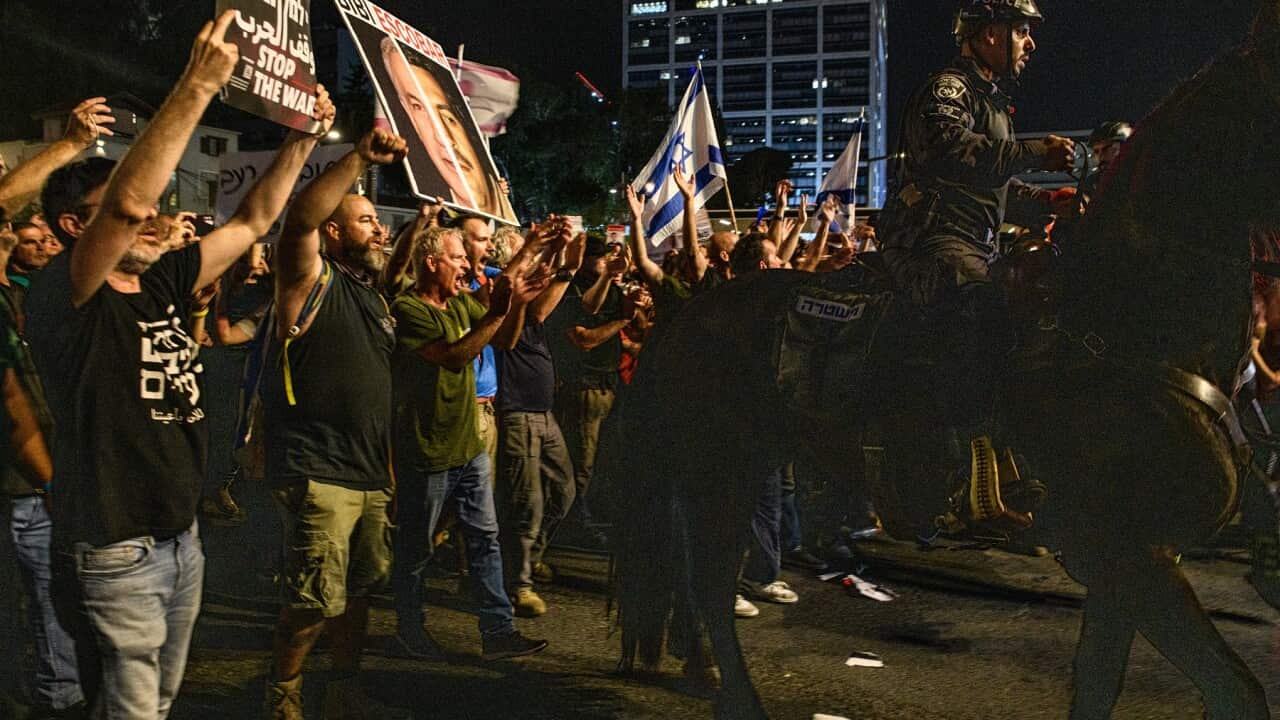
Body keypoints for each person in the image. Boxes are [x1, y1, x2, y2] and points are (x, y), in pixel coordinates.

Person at [25, 13, 332, 718]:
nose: (160, 218)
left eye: (168, 208)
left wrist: (302, 141)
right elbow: (129, 204)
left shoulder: (161, 280)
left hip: (178, 539)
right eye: (133, 216)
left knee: (155, 704)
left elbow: (255, 221)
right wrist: (196, 86)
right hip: (114, 546)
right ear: (78, 227)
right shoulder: (68, 295)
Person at [875, 0, 1074, 532]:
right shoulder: (950, 90)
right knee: (980, 303)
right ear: (989, 34)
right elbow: (950, 150)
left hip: (976, 242)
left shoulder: (992, 102)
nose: (1029, 44)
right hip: (928, 240)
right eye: (1022, 32)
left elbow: (997, 183)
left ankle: (1006, 455)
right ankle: (965, 475)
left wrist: (1046, 201)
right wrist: (1035, 151)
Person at [259, 127, 409, 720]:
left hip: (369, 474)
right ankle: (284, 694)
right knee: (312, 600)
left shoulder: (370, 295)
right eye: (367, 220)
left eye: (378, 219)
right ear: (334, 231)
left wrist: (389, 476)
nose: (379, 228)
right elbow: (295, 223)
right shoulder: (307, 280)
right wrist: (358, 159)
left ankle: (342, 686)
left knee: (359, 593)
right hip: (319, 471)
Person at [390, 224, 550, 660]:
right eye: (458, 258)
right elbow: (454, 356)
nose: (466, 265)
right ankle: (409, 626)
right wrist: (500, 310)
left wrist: (525, 271)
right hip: (428, 449)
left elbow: (498, 315)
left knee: (485, 538)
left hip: (467, 447)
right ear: (431, 263)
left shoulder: (458, 302)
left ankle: (497, 630)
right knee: (416, 548)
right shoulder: (410, 309)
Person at [494, 223, 585, 618]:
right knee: (525, 504)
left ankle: (530, 558)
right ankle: (519, 584)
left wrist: (559, 255)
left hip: (541, 412)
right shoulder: (502, 295)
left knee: (563, 492)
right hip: (517, 412)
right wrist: (565, 269)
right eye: (523, 253)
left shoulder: (525, 299)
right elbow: (537, 311)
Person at [380, 39, 515, 222]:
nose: (445, 139)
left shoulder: (497, 180)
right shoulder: (437, 215)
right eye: (418, 108)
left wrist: (501, 200)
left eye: (450, 118)